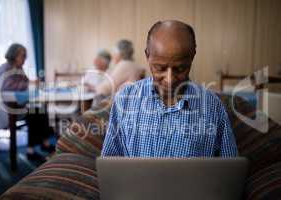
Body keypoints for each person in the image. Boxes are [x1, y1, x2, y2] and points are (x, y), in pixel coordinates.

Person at [101, 20, 238, 157]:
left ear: (192, 56)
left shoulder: (212, 106)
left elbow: (230, 167)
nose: (170, 79)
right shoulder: (125, 99)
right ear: (147, 56)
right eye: (160, 68)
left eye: (180, 69)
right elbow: (109, 161)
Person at [0, 43, 54, 161]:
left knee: (40, 110)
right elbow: (9, 87)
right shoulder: (5, 68)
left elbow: (25, 83)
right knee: (35, 113)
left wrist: (32, 82)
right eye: (22, 56)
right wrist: (31, 83)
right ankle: (30, 150)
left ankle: (44, 143)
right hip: (2, 109)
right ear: (14, 55)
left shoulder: (19, 69)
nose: (24, 59)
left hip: (14, 106)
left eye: (25, 56)